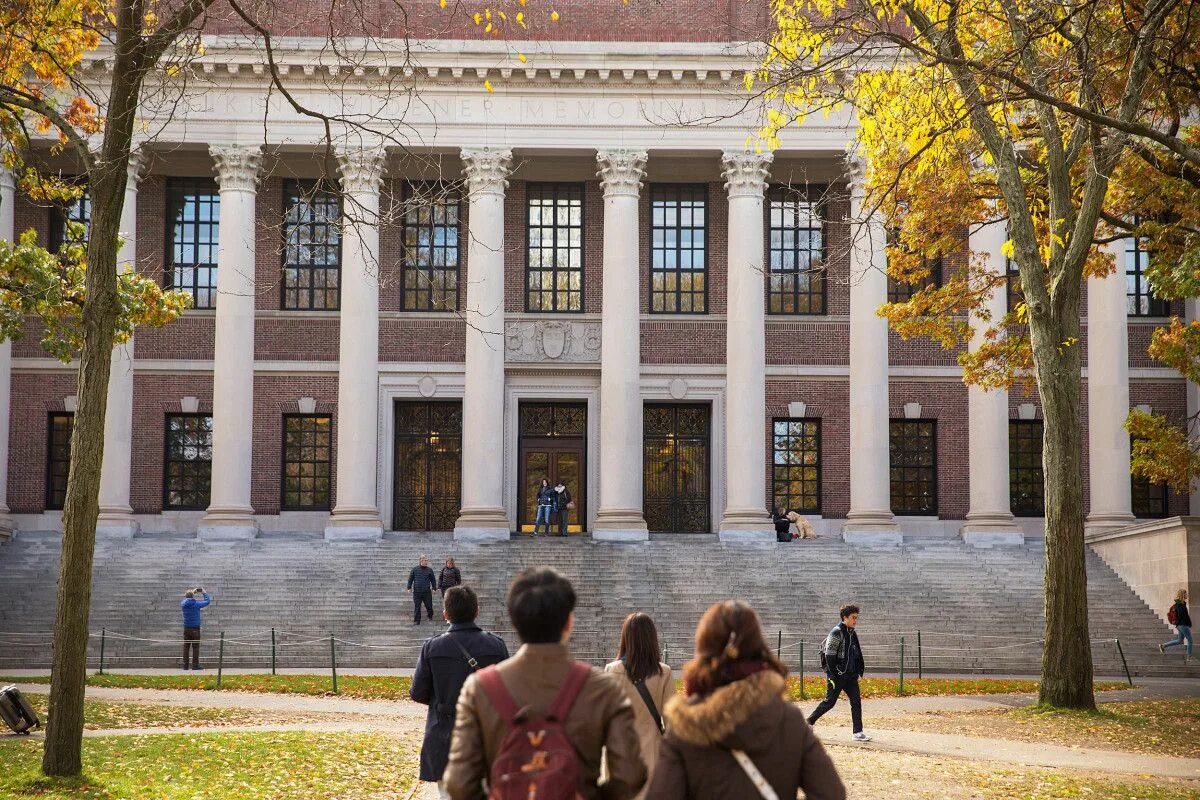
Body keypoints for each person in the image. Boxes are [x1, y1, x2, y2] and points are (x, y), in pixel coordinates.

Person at [443, 567, 645, 800]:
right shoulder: (603, 688)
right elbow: (630, 775)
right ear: (569, 621)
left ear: (515, 621)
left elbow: (459, 783)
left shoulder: (479, 689)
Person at [644, 600, 845, 800]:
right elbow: (831, 793)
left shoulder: (685, 723)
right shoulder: (789, 719)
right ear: (758, 645)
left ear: (703, 646)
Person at [412, 586, 510, 800]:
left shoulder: (432, 647)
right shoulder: (496, 645)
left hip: (445, 735)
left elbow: (418, 692)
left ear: (445, 614)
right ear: (477, 611)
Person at [604, 613, 673, 800]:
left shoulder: (612, 670)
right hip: (652, 754)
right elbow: (672, 724)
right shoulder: (663, 672)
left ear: (625, 638)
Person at [807, 604, 869, 741]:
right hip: (838, 676)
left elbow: (856, 652)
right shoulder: (836, 632)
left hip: (851, 676)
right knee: (830, 702)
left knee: (856, 702)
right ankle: (809, 721)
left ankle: (857, 732)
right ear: (845, 617)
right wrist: (833, 675)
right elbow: (829, 655)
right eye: (853, 617)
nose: (855, 620)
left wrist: (858, 669)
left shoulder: (852, 633)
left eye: (856, 618)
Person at [180, 587, 212, 670]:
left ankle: (185, 665)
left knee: (186, 647)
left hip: (186, 628)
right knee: (195, 647)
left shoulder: (183, 603)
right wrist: (204, 593)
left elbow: (187, 598)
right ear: (193, 596)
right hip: (195, 629)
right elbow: (207, 601)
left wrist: (192, 593)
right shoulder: (196, 604)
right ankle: (195, 665)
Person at [1159, 589, 1193, 661]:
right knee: (1190, 640)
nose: (1187, 595)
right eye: (1186, 594)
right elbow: (1182, 616)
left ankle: (1163, 645)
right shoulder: (1180, 604)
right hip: (1183, 625)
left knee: (1180, 640)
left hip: (1179, 625)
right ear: (1182, 595)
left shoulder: (1180, 604)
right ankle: (1189, 657)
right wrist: (1188, 623)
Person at [408, 555, 438, 626]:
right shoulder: (415, 569)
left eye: (427, 560)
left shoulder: (430, 570)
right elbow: (410, 579)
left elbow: (433, 580)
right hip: (417, 592)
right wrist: (409, 587)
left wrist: (434, 588)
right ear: (421, 561)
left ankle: (430, 615)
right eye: (425, 560)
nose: (427, 561)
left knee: (429, 606)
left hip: (426, 592)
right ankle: (417, 620)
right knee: (417, 606)